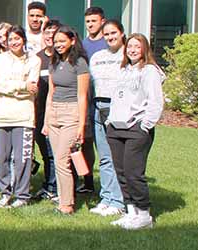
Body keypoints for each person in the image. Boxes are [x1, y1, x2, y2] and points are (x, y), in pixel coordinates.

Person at [107, 33, 163, 230]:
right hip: (115, 128)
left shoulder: (149, 71)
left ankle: (144, 215)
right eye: (129, 46)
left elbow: (156, 102)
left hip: (136, 129)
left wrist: (145, 125)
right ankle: (131, 213)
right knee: (121, 173)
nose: (132, 50)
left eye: (137, 47)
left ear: (144, 49)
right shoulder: (122, 70)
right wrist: (109, 121)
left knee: (133, 172)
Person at [0, 26, 41, 208]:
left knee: (23, 158)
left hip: (24, 116)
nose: (14, 42)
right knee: (2, 157)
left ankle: (22, 195)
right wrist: (22, 86)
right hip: (1, 116)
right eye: (11, 39)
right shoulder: (0, 59)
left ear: (23, 40)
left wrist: (17, 88)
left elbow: (33, 87)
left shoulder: (34, 60)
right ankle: (5, 193)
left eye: (17, 38)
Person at [44, 25, 90, 215]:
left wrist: (81, 125)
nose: (58, 45)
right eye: (56, 42)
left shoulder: (79, 63)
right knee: (58, 159)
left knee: (63, 159)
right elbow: (50, 92)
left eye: (62, 41)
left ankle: (67, 205)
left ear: (72, 41)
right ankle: (63, 200)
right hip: (54, 112)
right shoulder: (54, 62)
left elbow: (82, 96)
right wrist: (46, 120)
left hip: (72, 113)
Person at [87, 19, 128, 216]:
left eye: (114, 33)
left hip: (118, 108)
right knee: (104, 157)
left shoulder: (129, 54)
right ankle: (107, 197)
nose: (110, 37)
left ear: (121, 34)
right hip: (98, 107)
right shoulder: (97, 56)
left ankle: (118, 202)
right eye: (107, 34)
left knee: (117, 157)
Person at [32, 20, 63, 202]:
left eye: (54, 33)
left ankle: (56, 187)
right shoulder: (37, 58)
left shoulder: (63, 57)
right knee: (45, 152)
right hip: (39, 112)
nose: (50, 37)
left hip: (59, 111)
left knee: (56, 153)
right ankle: (49, 184)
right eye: (47, 33)